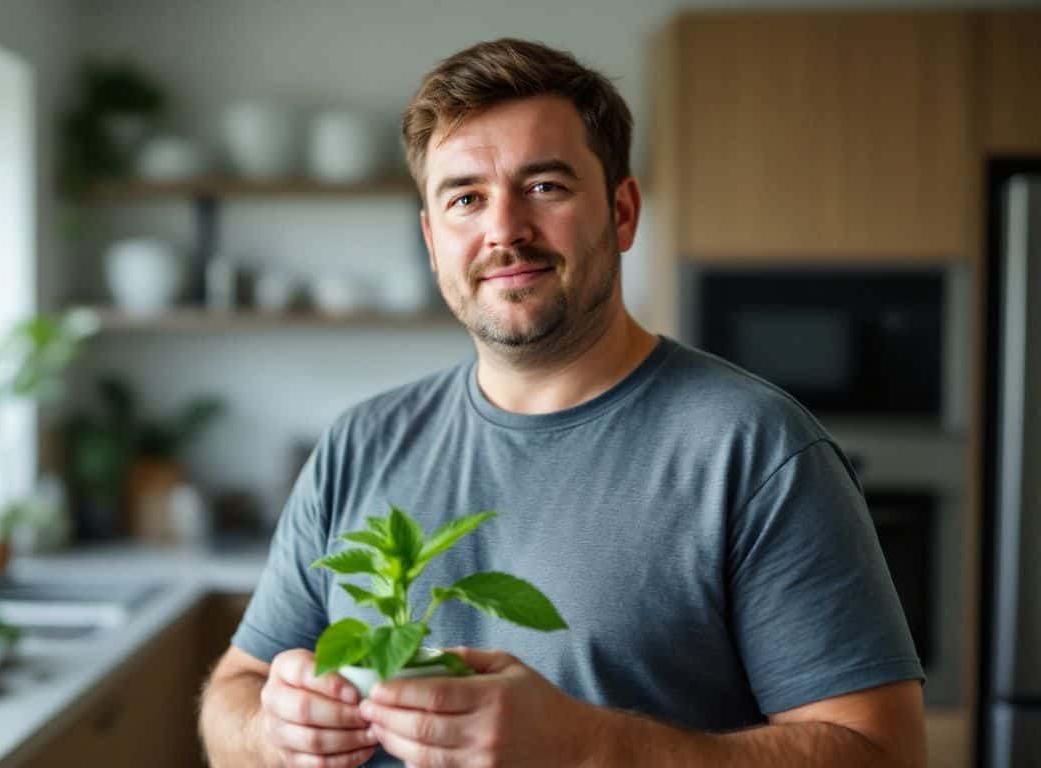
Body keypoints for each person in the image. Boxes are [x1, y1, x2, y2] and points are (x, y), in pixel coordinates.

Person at [199, 38, 925, 768]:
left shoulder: (756, 448)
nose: (504, 229)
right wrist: (272, 734)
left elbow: (883, 753)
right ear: (431, 239)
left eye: (545, 187)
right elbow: (234, 691)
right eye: (465, 198)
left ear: (623, 211)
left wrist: (591, 746)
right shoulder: (359, 443)